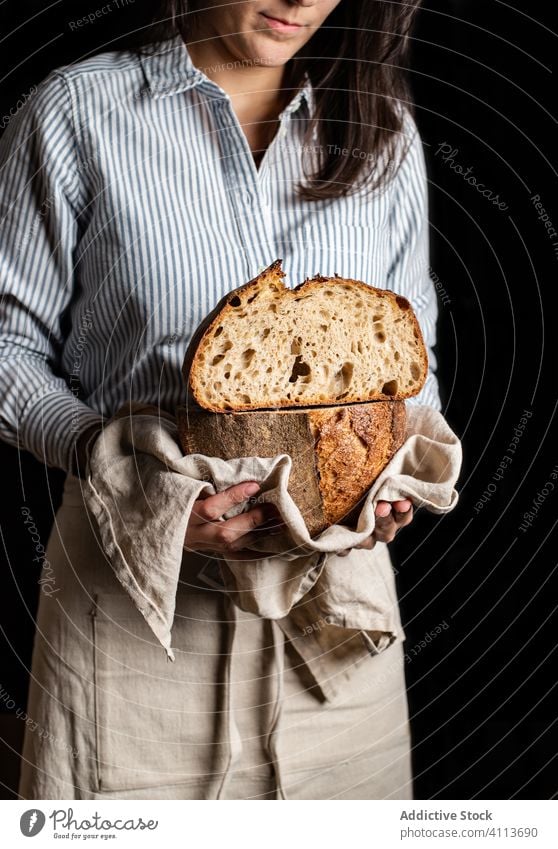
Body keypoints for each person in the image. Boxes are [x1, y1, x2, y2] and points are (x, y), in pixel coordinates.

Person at [0, 0, 441, 799]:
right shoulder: (75, 115)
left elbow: (412, 373)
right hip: (133, 618)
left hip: (338, 636)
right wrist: (116, 464)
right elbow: (7, 347)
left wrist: (395, 478)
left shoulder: (383, 130)